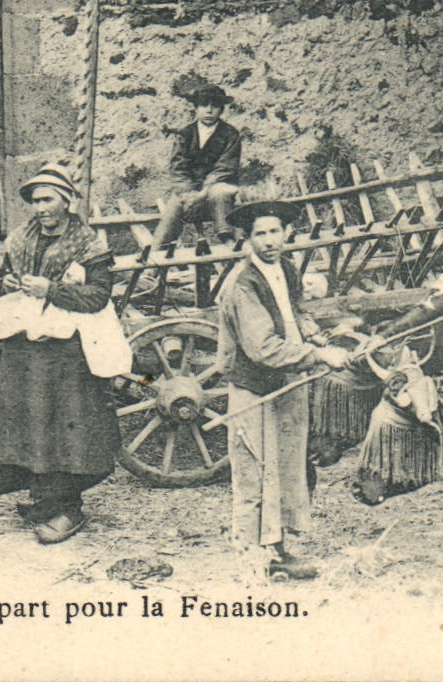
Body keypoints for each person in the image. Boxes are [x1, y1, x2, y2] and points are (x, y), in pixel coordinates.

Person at [0, 163, 130, 544]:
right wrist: (11, 283)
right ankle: (43, 498)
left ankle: (69, 507)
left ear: (66, 200)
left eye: (48, 199)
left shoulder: (89, 243)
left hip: (69, 350)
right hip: (24, 345)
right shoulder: (18, 239)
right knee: (28, 424)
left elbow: (99, 295)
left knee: (67, 429)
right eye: (35, 201)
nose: (41, 208)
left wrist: (50, 290)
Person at [215, 199, 350, 581]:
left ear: (287, 232)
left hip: (287, 383)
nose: (270, 240)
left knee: (285, 468)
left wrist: (317, 334)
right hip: (254, 389)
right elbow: (263, 348)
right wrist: (319, 353)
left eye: (275, 231)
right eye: (261, 233)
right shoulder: (243, 284)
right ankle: (249, 561)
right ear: (247, 238)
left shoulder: (285, 270)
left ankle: (276, 552)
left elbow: (296, 312)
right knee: (254, 474)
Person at [150, 83, 243, 247]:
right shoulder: (185, 135)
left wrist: (204, 191)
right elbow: (178, 168)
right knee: (175, 203)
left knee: (219, 193)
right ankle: (154, 258)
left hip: (218, 187)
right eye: (203, 105)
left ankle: (227, 239)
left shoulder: (230, 135)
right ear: (196, 108)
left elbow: (225, 167)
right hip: (191, 193)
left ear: (221, 109)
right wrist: (188, 192)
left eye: (214, 106)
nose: (209, 110)